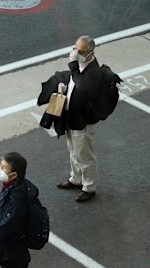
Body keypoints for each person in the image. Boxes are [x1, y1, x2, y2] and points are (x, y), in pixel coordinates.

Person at [55, 35, 104, 202]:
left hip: (82, 121)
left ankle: (89, 187)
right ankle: (76, 178)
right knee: (73, 151)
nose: (76, 53)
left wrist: (73, 65)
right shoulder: (80, 66)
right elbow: (74, 84)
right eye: (75, 49)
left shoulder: (94, 71)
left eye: (81, 51)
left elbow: (82, 87)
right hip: (71, 116)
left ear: (91, 53)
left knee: (85, 155)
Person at [0, 152, 30, 268]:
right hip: (8, 248)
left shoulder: (17, 197)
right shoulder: (9, 187)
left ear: (13, 175)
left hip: (11, 251)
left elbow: (7, 225)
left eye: (3, 168)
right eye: (0, 165)